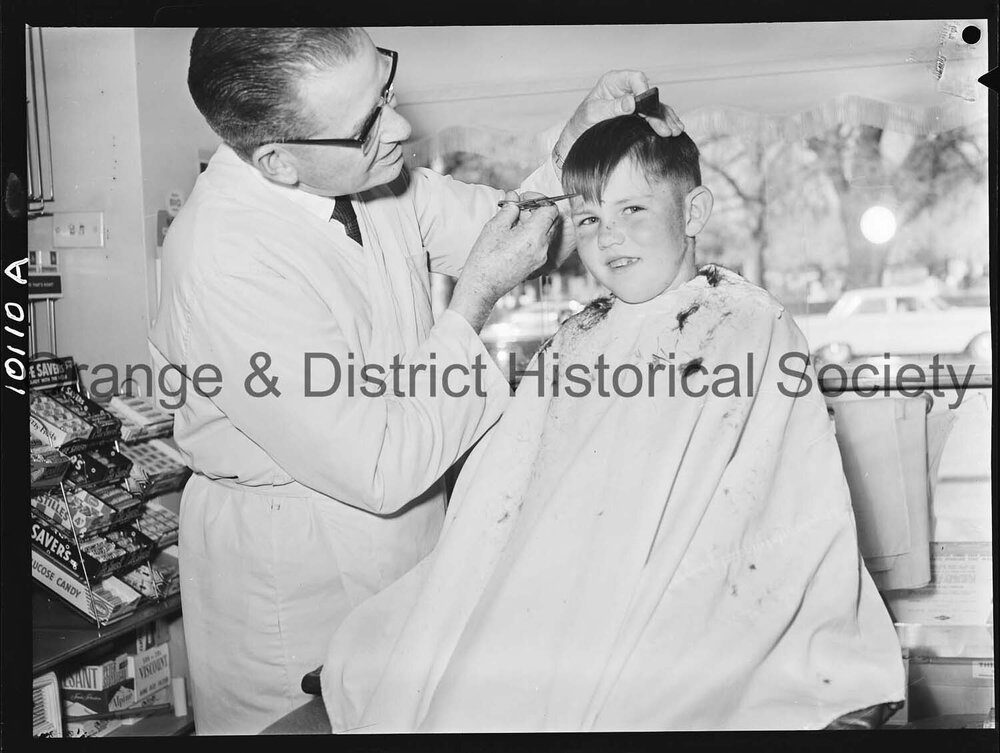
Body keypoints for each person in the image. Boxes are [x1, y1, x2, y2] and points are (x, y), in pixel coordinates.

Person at [148, 27, 684, 735]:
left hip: (405, 544)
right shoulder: (225, 262)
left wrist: (574, 148)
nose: (399, 127)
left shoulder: (363, 172)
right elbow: (380, 462)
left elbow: (510, 234)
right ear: (277, 161)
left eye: (385, 88)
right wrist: (474, 299)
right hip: (295, 575)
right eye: (368, 123)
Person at [319, 115, 906, 732]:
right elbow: (506, 505)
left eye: (634, 210)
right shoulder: (576, 336)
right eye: (591, 219)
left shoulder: (743, 327)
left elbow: (762, 506)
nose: (609, 238)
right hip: (558, 593)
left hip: (689, 599)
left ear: (695, 211)